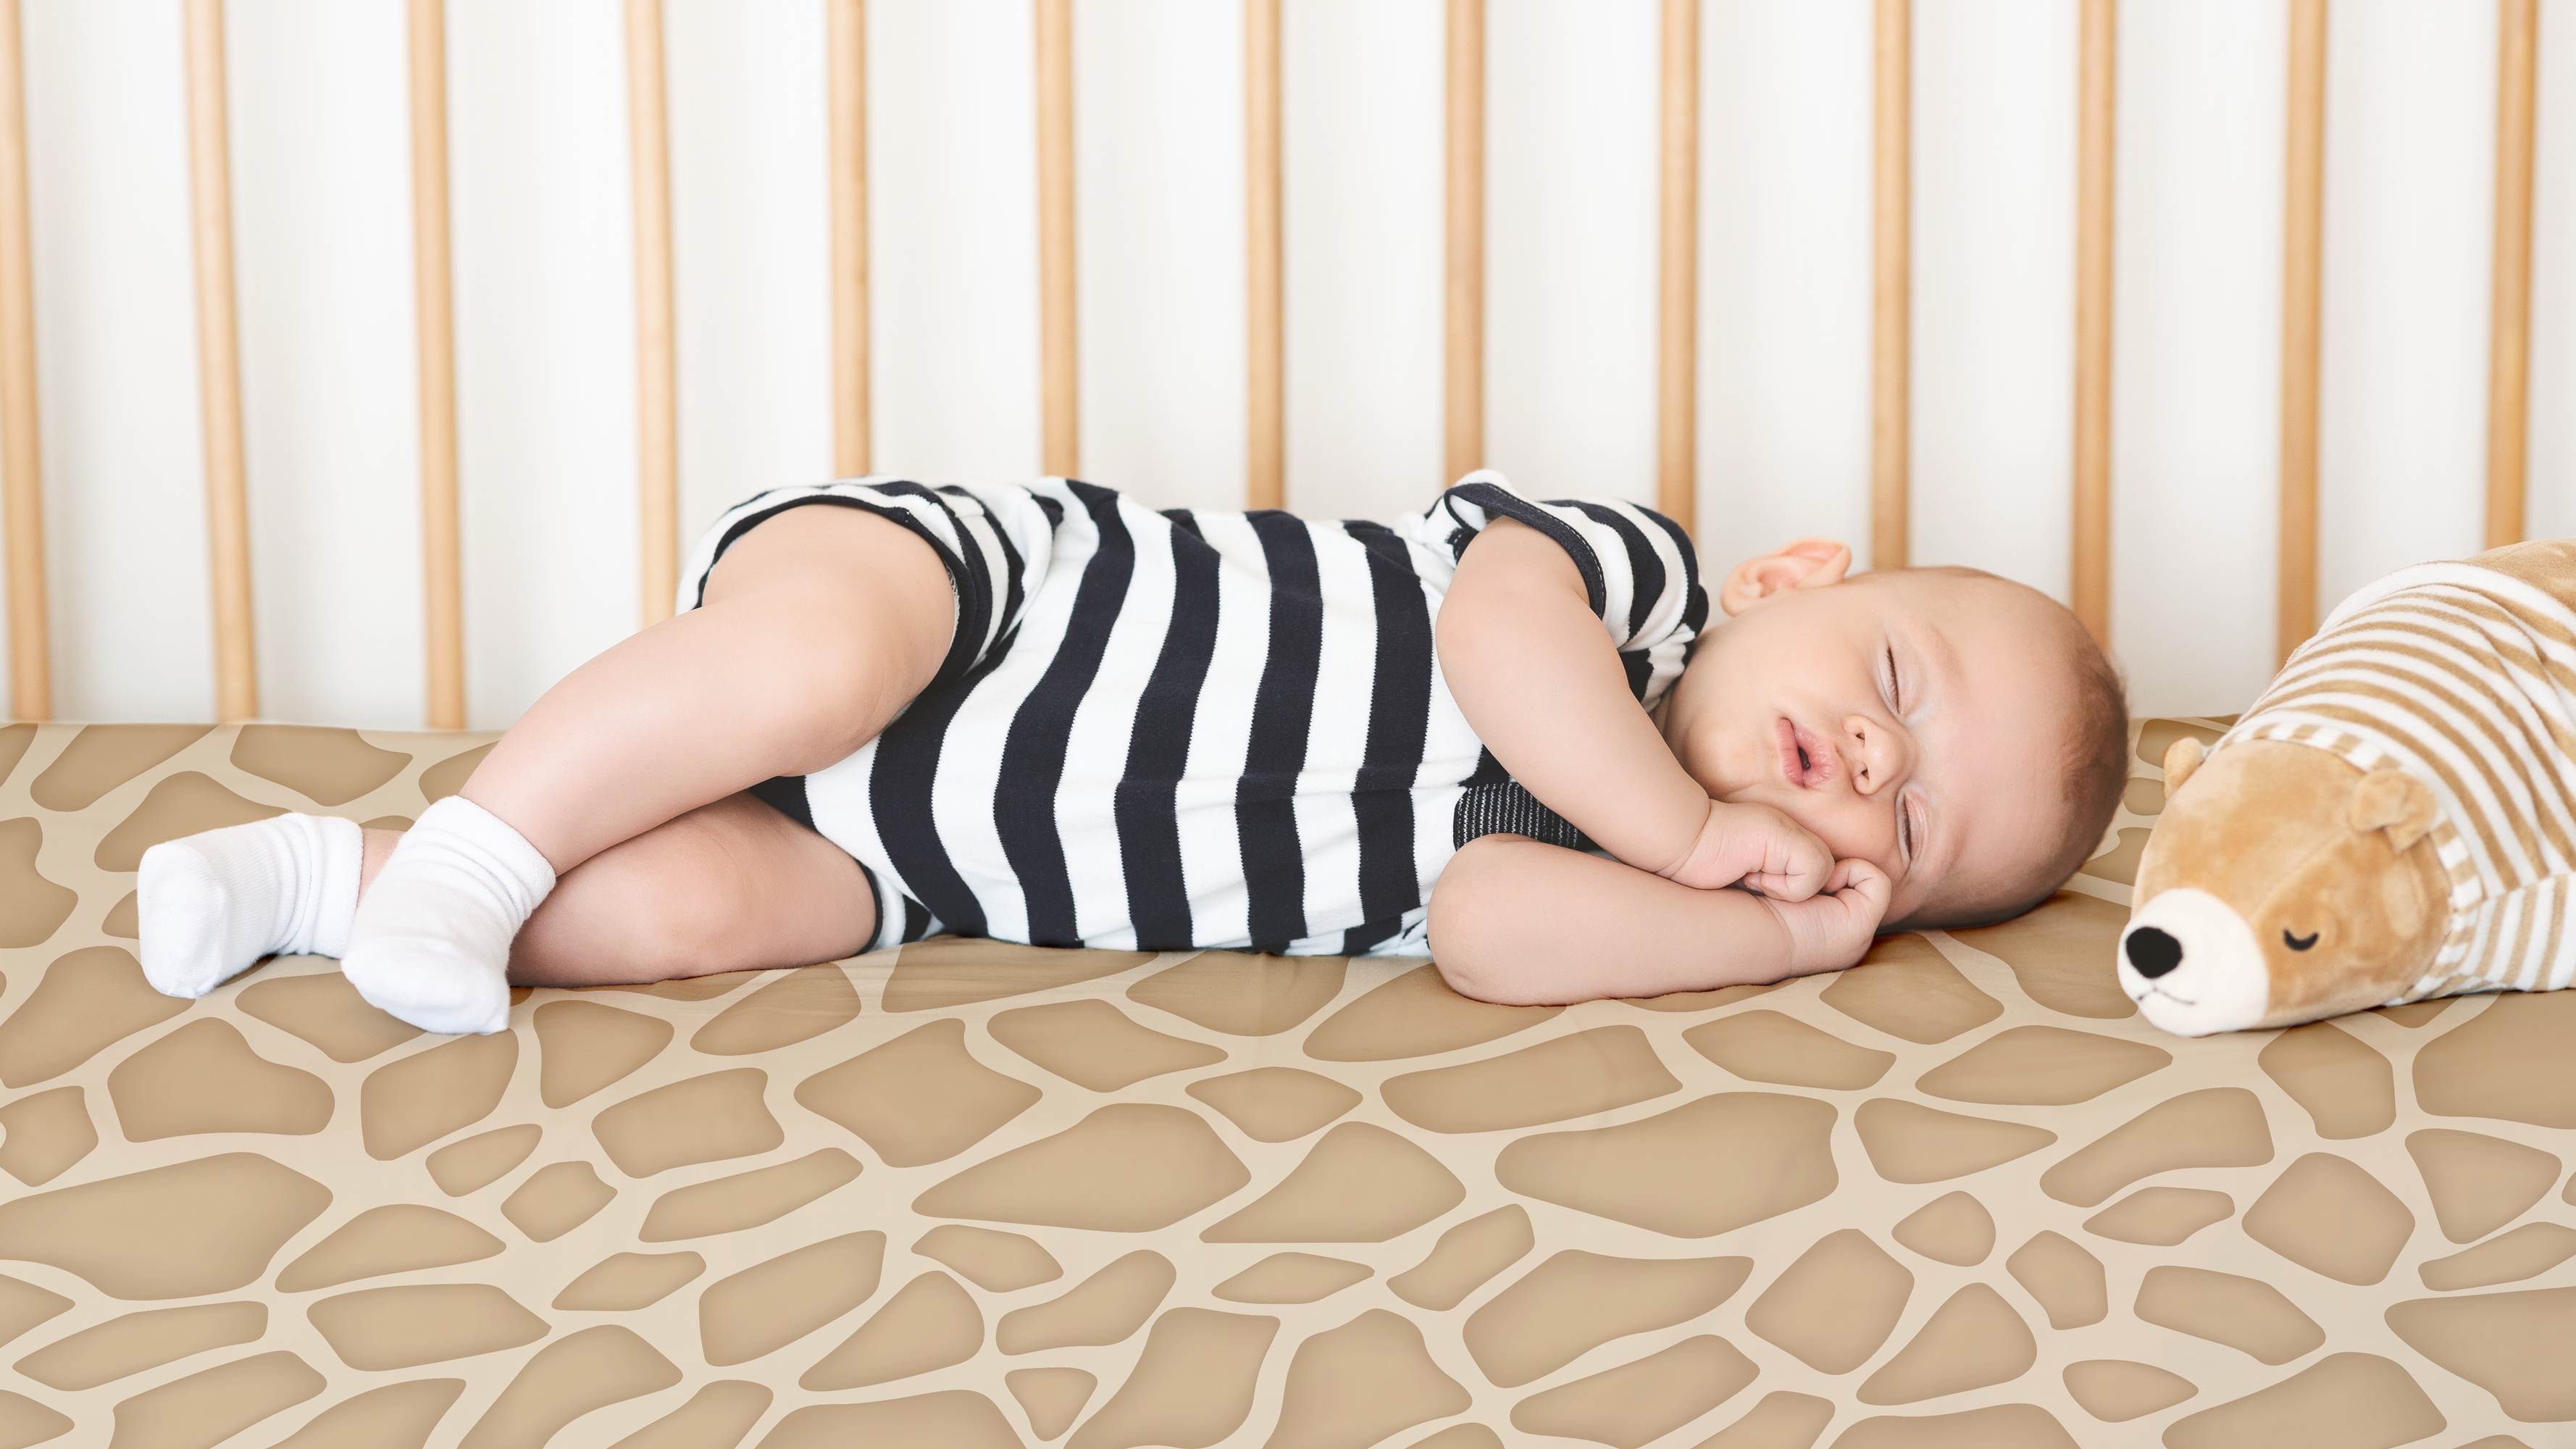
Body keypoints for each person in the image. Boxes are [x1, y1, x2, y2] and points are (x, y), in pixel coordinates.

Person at [135, 472, 2128, 1033]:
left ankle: (321, 884)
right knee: (807, 670)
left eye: (1909, 822)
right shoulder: (1626, 587)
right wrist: (1692, 822)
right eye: (1897, 673)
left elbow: (1482, 934)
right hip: (977, 599)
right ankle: (483, 852)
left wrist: (1770, 943)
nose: (1869, 757)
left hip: (932, 859)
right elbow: (1494, 638)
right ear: (1795, 572)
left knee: (708, 912)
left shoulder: (1609, 878)